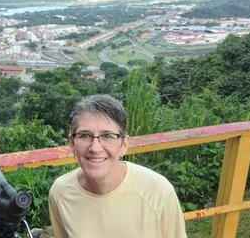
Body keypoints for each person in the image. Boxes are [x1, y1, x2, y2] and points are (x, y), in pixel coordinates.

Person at [49, 94, 187, 238]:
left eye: (107, 136)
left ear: (124, 145)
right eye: (85, 136)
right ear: (72, 143)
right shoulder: (60, 193)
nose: (95, 148)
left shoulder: (158, 192)